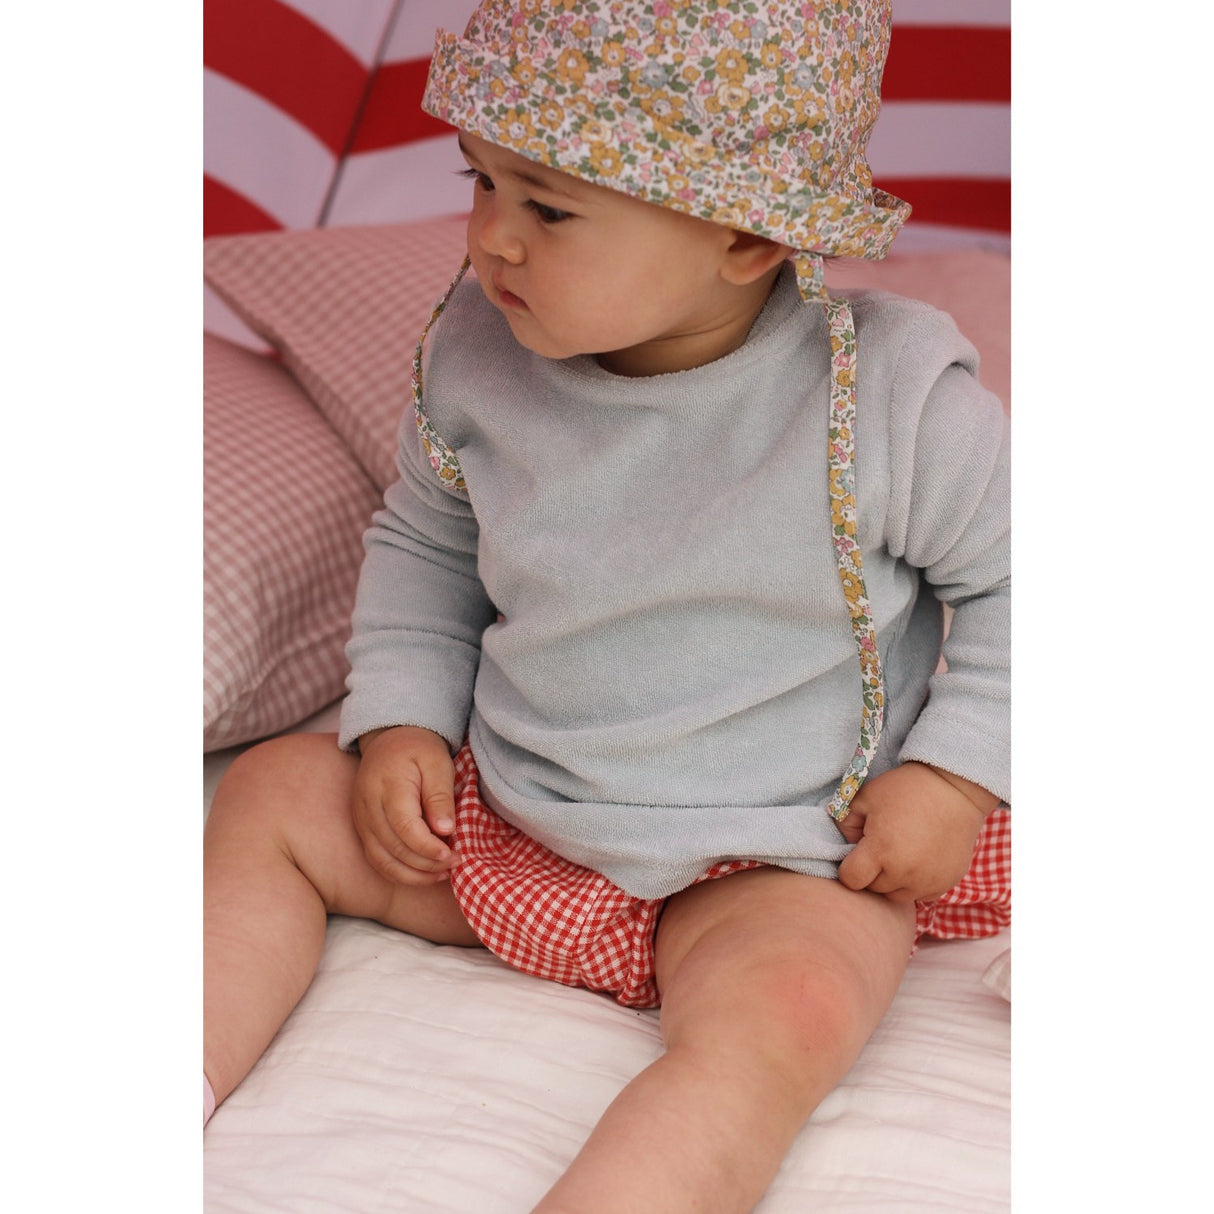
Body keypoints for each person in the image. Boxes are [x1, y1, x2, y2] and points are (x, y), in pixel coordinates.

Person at [203, 2, 1010, 1210]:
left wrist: (951, 777)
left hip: (777, 848)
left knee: (789, 1007)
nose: (490, 239)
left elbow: (1025, 587)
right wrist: (402, 719)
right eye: (477, 180)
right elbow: (425, 542)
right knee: (273, 788)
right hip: (513, 812)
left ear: (746, 235)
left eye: (548, 208)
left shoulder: (888, 402)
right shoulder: (475, 353)